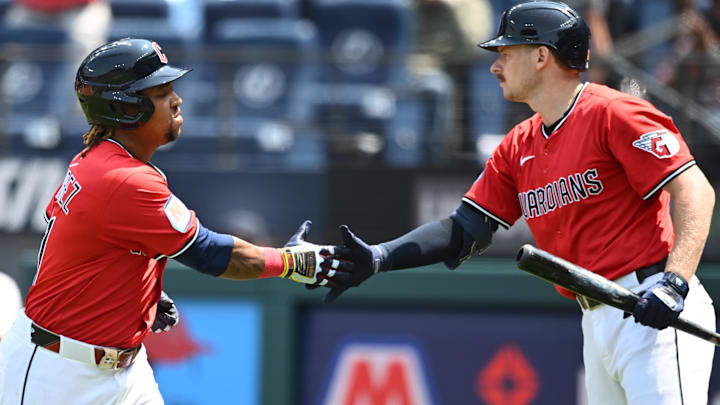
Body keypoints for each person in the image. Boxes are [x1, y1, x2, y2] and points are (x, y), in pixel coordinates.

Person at [322, 2, 717, 404]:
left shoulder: (615, 113)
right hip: (595, 315)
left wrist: (674, 282)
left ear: (542, 56)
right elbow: (463, 232)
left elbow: (696, 191)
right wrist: (378, 257)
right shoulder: (517, 145)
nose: (495, 67)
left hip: (652, 302)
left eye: (507, 54)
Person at [0, 38, 344, 404]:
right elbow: (213, 254)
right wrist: (294, 262)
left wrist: (134, 294)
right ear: (125, 106)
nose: (177, 100)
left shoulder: (102, 160)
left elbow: (85, 245)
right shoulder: (124, 179)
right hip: (57, 374)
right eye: (161, 92)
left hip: (124, 369)